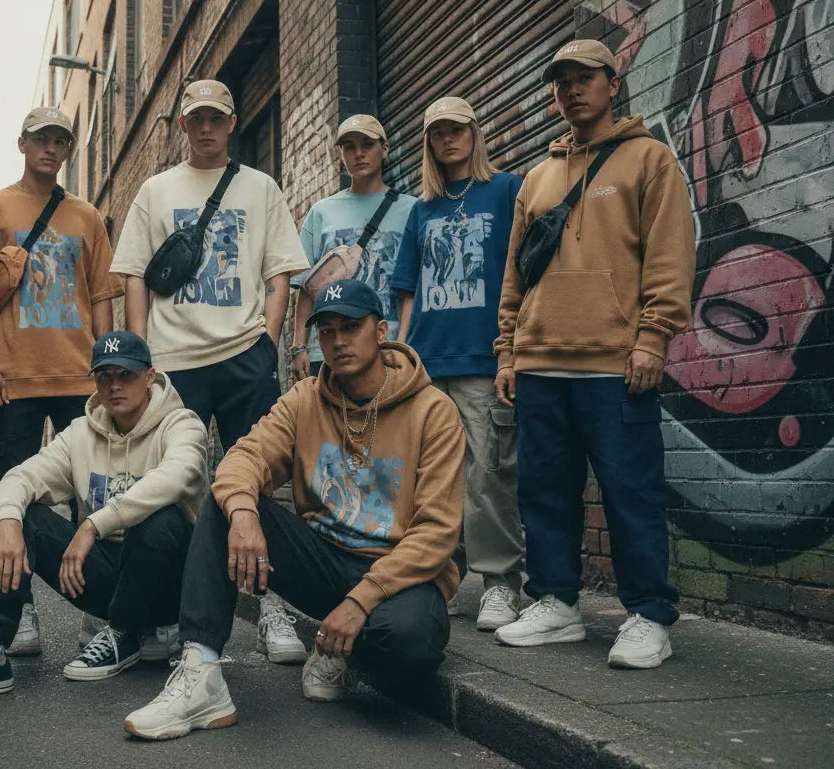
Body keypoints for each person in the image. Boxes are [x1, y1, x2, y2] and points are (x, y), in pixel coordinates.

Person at [124, 280, 465, 740]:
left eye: (351, 326)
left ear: (381, 330)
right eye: (326, 331)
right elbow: (241, 459)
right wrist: (245, 515)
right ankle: (200, 672)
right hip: (322, 561)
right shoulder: (305, 399)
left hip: (395, 575)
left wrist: (359, 602)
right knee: (226, 503)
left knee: (413, 644)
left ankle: (342, 652)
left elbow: (437, 533)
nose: (339, 341)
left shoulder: (434, 411)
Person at [492, 40, 695, 669]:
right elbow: (514, 275)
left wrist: (653, 336)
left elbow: (668, 256)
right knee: (544, 492)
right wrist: (507, 351)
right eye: (562, 82)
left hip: (615, 365)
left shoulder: (649, 160)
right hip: (541, 363)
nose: (572, 90)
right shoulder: (538, 178)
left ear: (614, 82)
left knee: (630, 491)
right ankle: (555, 601)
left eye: (585, 78)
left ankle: (648, 615)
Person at [110, 79, 310, 663]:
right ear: (182, 125)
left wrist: (267, 342)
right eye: (195, 119)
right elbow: (134, 275)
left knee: (264, 480)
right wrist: (144, 352)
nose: (205, 129)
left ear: (231, 123)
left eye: (215, 119)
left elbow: (280, 274)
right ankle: (172, 610)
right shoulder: (155, 189)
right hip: (174, 362)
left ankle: (271, 604)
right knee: (175, 484)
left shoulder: (260, 187)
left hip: (245, 354)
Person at [0, 332, 208, 702]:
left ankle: (125, 631)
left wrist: (93, 524)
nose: (115, 386)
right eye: (105, 377)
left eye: (127, 375)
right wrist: (8, 520)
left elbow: (178, 476)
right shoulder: (80, 433)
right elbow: (22, 476)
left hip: (171, 584)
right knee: (21, 516)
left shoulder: (182, 424)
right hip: (109, 578)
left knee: (159, 519)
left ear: (150, 376)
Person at [0, 106, 121, 658]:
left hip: (79, 377)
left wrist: (106, 370)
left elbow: (101, 298)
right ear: (22, 143)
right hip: (15, 380)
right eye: (41, 139)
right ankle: (18, 604)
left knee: (90, 496)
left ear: (67, 150)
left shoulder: (87, 217)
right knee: (13, 496)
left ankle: (95, 608)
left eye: (60, 141)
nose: (50, 148)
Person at [392, 97, 525, 631]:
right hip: (428, 361)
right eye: (438, 133)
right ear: (428, 143)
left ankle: (498, 584)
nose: (448, 140)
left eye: (457, 129)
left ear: (474, 132)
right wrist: (401, 359)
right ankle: (435, 576)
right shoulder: (421, 210)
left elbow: (523, 275)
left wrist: (512, 349)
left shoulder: (507, 191)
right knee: (429, 481)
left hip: (482, 357)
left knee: (488, 475)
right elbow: (407, 293)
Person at [291, 114, 417, 381]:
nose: (358, 154)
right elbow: (307, 287)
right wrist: (300, 346)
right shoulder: (321, 212)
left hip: (389, 346)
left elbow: (413, 289)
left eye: (367, 144)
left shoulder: (411, 209)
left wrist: (405, 345)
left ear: (384, 149)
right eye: (349, 147)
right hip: (328, 351)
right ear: (341, 154)